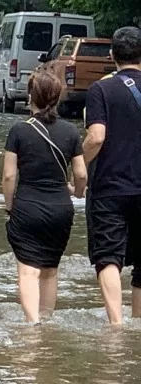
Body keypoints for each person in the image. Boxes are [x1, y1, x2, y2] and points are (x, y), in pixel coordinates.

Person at [2, 71, 88, 323]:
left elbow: (8, 177)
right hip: (61, 209)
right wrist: (78, 193)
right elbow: (81, 174)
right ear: (58, 98)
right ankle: (46, 320)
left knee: (29, 271)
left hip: (27, 208)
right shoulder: (71, 132)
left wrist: (10, 208)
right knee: (50, 270)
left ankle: (32, 325)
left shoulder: (19, 131)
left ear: (31, 98)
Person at [83, 25, 141, 324]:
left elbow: (96, 137)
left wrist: (78, 163)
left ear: (111, 55)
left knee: (109, 257)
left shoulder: (101, 89)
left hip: (110, 187)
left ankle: (116, 326)